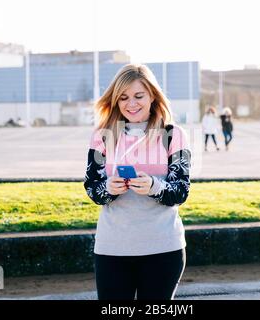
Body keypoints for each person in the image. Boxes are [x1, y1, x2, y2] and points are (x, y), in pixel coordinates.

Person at [84, 64, 191, 300]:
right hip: (112, 249)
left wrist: (155, 186)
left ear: (152, 95)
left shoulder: (174, 135)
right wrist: (108, 189)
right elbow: (92, 188)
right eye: (123, 98)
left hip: (163, 249)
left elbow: (181, 191)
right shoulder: (102, 136)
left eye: (138, 96)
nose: (131, 103)